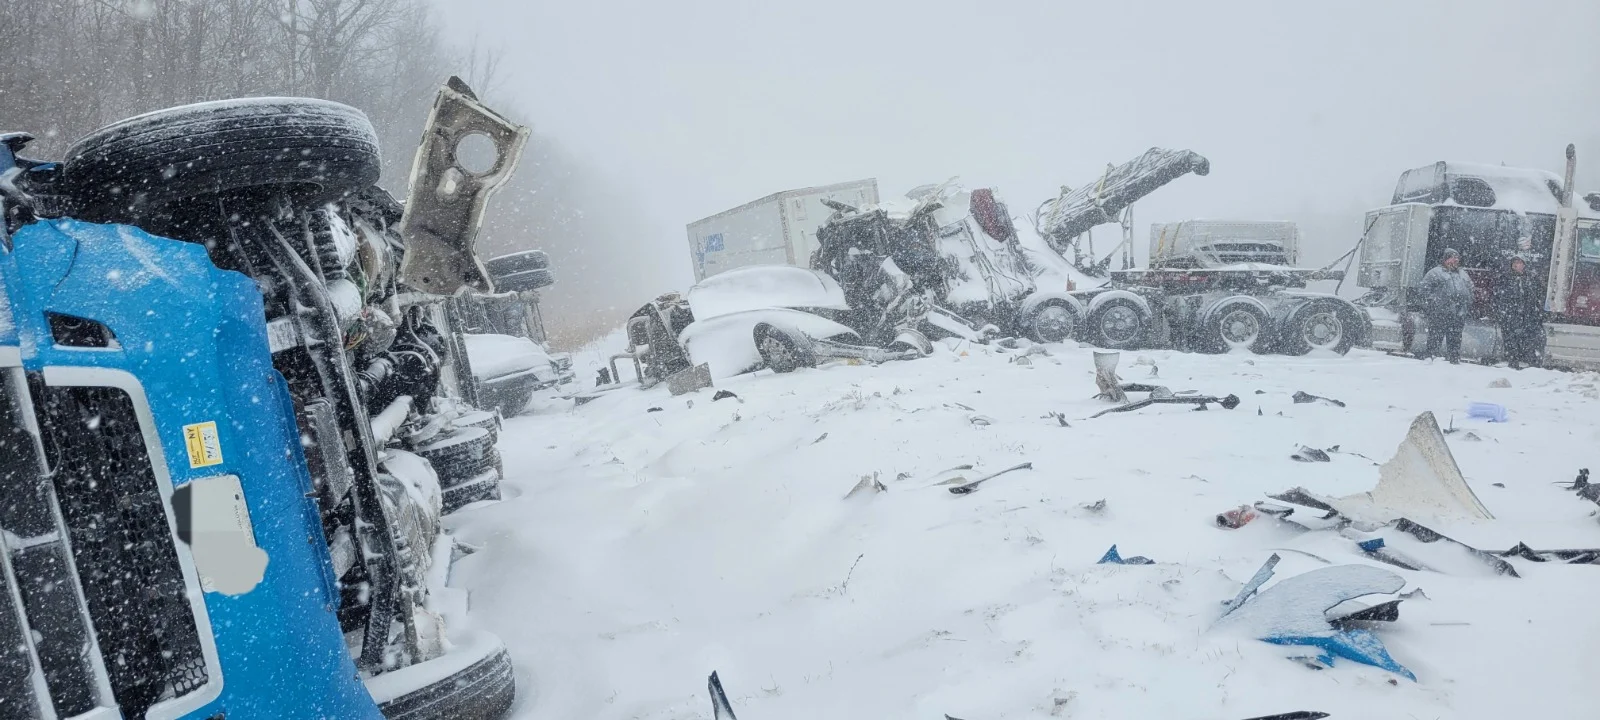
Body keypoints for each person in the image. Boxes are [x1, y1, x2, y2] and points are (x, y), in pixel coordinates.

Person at [1418, 248, 1474, 363]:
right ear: (1445, 259)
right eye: (1452, 257)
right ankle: (1431, 357)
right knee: (1435, 336)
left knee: (1455, 338)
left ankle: (1454, 359)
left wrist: (1467, 303)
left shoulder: (1463, 274)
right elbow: (1423, 291)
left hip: (1459, 312)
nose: (1455, 260)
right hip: (1440, 312)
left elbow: (1470, 289)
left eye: (1457, 258)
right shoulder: (1435, 272)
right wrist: (1433, 304)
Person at [1493, 254, 1544, 369]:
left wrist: (1535, 311)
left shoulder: (1531, 279)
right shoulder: (1505, 279)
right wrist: (1502, 312)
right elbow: (1498, 297)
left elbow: (1537, 296)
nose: (1517, 265)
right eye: (1515, 263)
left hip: (1527, 316)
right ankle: (1513, 362)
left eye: (1520, 263)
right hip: (1510, 316)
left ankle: (1529, 364)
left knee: (1528, 341)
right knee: (1511, 341)